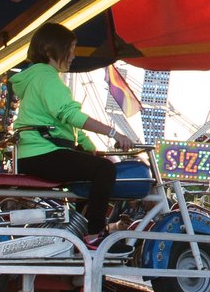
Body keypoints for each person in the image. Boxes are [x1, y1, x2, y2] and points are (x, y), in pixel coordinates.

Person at [10, 23, 141, 233]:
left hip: (33, 152)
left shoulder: (37, 76)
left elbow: (68, 125)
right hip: (41, 153)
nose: (73, 56)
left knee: (92, 168)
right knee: (105, 169)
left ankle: (79, 229)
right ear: (51, 49)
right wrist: (114, 133)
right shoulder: (46, 76)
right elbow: (71, 115)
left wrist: (90, 149)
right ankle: (95, 232)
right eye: (69, 50)